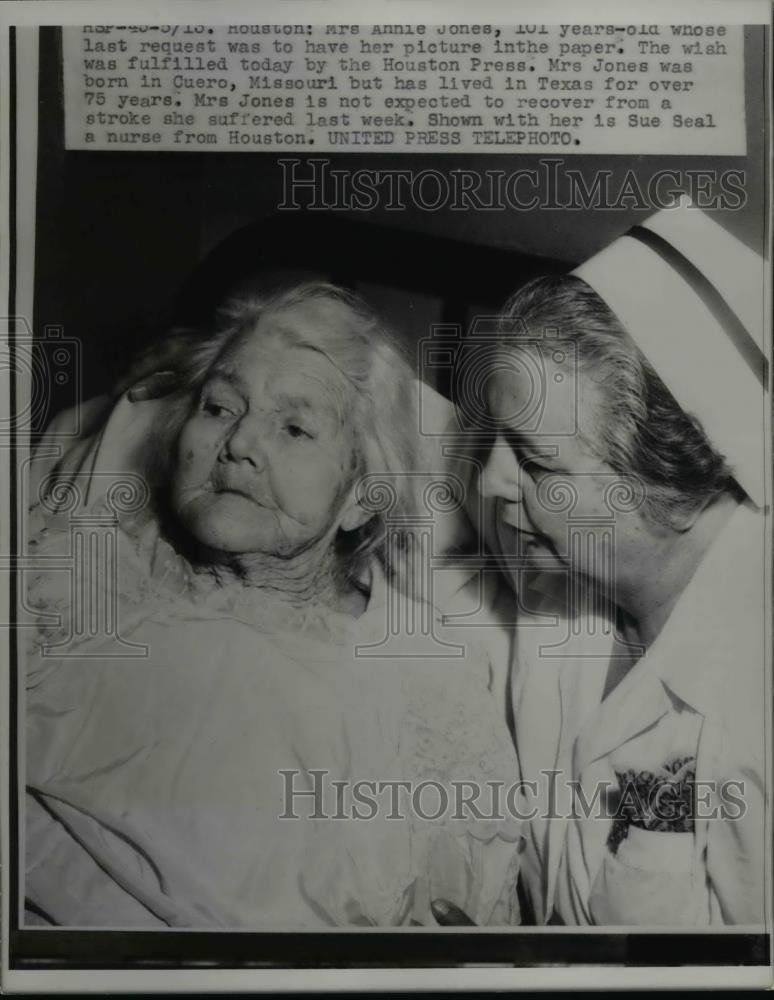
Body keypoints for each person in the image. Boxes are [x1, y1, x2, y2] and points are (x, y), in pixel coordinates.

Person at [24, 282, 523, 928]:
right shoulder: (64, 577)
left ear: (361, 495)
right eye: (220, 406)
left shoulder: (423, 692)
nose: (238, 444)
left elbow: (456, 937)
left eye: (293, 427)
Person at [452, 200, 767, 926]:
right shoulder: (566, 555)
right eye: (495, 438)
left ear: (672, 484)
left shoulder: (752, 720)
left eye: (532, 459)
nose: (493, 480)